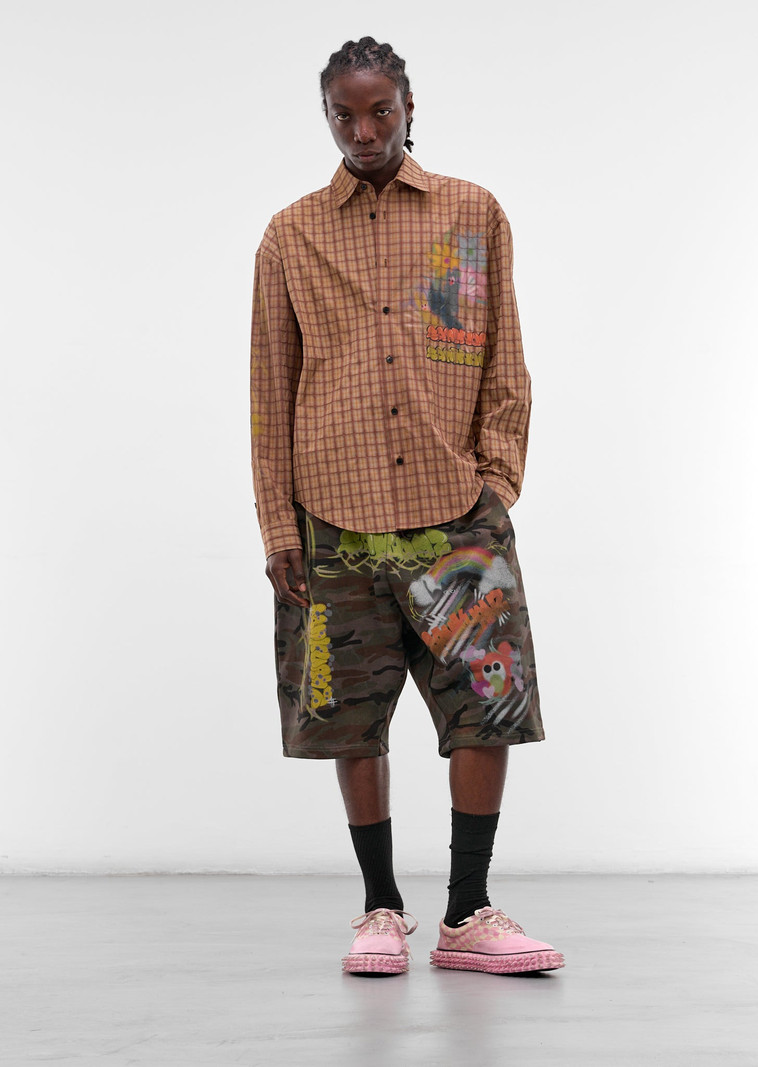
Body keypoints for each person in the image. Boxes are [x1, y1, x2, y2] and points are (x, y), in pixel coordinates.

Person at [250, 36, 565, 977]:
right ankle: (379, 908)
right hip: (334, 518)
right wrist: (279, 526)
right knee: (352, 718)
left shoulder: (471, 214)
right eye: (343, 115)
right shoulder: (291, 235)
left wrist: (495, 482)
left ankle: (467, 912)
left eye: (379, 110)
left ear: (410, 106)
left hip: (454, 511)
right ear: (326, 117)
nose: (363, 131)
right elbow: (270, 391)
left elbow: (503, 359)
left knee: (487, 707)